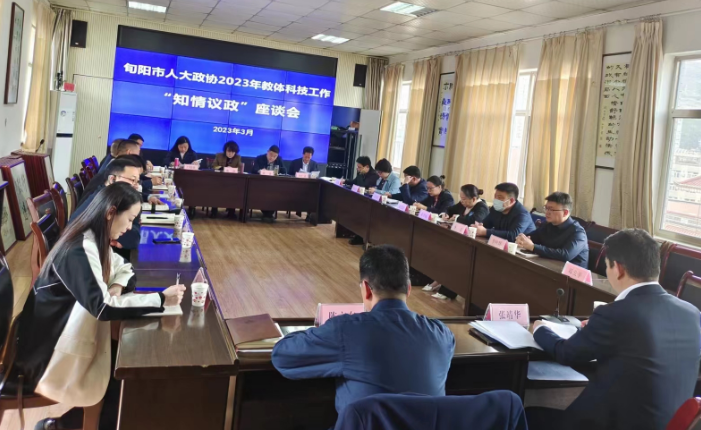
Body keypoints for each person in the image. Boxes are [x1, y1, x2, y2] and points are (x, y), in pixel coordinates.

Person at [13, 183, 186, 430]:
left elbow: (125, 268)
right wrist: (160, 299)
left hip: (57, 334)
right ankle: (62, 425)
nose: (130, 227)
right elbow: (103, 308)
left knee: (123, 367)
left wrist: (116, 286)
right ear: (110, 212)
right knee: (124, 371)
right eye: (130, 219)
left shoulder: (94, 237)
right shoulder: (79, 248)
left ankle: (64, 424)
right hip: (46, 355)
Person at [528, 229, 701, 430]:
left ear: (618, 268)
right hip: (667, 423)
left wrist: (540, 329)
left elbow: (567, 353)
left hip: (614, 424)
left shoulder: (615, 313)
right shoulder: (693, 314)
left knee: (527, 412)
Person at [272, 245, 455, 419]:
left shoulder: (347, 330)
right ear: (408, 289)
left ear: (367, 289)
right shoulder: (442, 334)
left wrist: (322, 332)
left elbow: (282, 356)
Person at [72, 157, 151, 260]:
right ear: (112, 179)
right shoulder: (103, 202)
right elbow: (133, 238)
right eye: (132, 180)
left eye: (137, 182)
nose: (136, 186)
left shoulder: (109, 195)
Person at [515, 192, 588, 268]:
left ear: (565, 212)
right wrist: (522, 239)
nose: (547, 212)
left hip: (569, 273)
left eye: (551, 209)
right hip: (548, 266)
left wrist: (533, 247)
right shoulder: (547, 225)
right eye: (546, 208)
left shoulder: (578, 232)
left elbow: (565, 255)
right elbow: (531, 237)